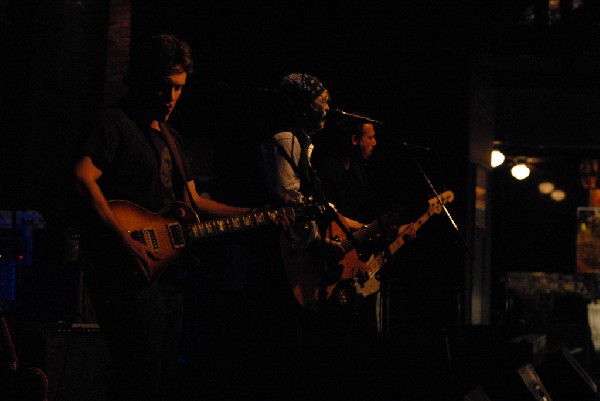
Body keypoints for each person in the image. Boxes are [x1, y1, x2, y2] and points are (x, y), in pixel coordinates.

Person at [72, 33, 269, 401]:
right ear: (145, 77)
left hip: (167, 277)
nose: (171, 98)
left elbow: (193, 202)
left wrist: (256, 214)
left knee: (162, 378)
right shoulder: (114, 123)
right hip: (128, 273)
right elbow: (83, 178)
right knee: (139, 377)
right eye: (165, 87)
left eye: (179, 89)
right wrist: (125, 241)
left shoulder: (171, 136)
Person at [257, 72, 369, 400]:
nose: (328, 108)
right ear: (303, 106)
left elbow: (309, 201)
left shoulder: (301, 144)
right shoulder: (286, 141)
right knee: (290, 354)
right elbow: (288, 199)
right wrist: (317, 241)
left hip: (295, 252)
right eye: (322, 101)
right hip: (281, 258)